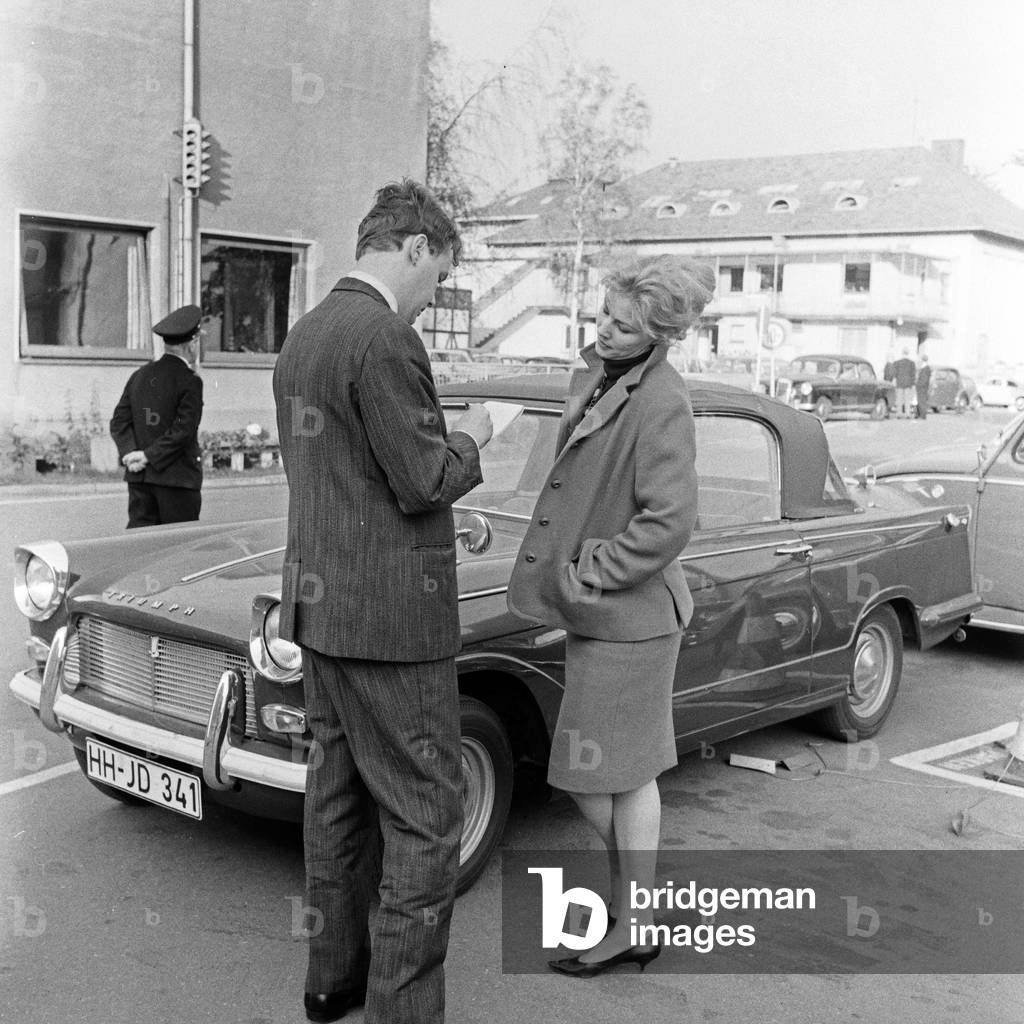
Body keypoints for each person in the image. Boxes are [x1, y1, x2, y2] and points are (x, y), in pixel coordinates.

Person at [272, 179, 492, 1024]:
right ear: (414, 247)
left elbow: (344, 482)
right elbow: (423, 476)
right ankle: (402, 1013)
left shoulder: (306, 336)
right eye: (438, 274)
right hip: (394, 629)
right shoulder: (386, 340)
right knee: (427, 821)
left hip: (322, 612)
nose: (435, 295)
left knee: (335, 802)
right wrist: (478, 436)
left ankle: (334, 983)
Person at [507, 254, 713, 978]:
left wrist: (582, 575)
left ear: (661, 334)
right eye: (602, 315)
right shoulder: (601, 373)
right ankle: (640, 918)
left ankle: (634, 918)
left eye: (622, 326)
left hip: (633, 618)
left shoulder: (663, 399)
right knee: (623, 776)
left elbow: (669, 523)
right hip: (609, 617)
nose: (604, 330)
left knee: (594, 776)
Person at [109, 304, 204, 528]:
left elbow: (119, 421)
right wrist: (149, 456)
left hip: (140, 479)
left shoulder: (140, 376)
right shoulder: (190, 381)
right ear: (192, 344)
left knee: (141, 549)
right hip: (176, 480)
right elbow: (183, 430)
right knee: (178, 549)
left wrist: (130, 454)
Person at [893, 348, 917, 418]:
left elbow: (894, 373)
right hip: (908, 383)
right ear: (908, 353)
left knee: (899, 400)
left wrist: (895, 381)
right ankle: (907, 414)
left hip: (899, 383)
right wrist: (913, 384)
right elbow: (913, 374)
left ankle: (899, 414)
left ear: (902, 353)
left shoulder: (897, 363)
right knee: (907, 400)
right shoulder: (912, 363)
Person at [915, 353, 932, 419]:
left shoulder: (925, 368)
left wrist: (918, 384)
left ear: (923, 360)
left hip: (922, 388)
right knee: (921, 401)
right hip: (923, 387)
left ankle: (922, 415)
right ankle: (921, 415)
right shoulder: (925, 368)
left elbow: (924, 380)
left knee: (921, 401)